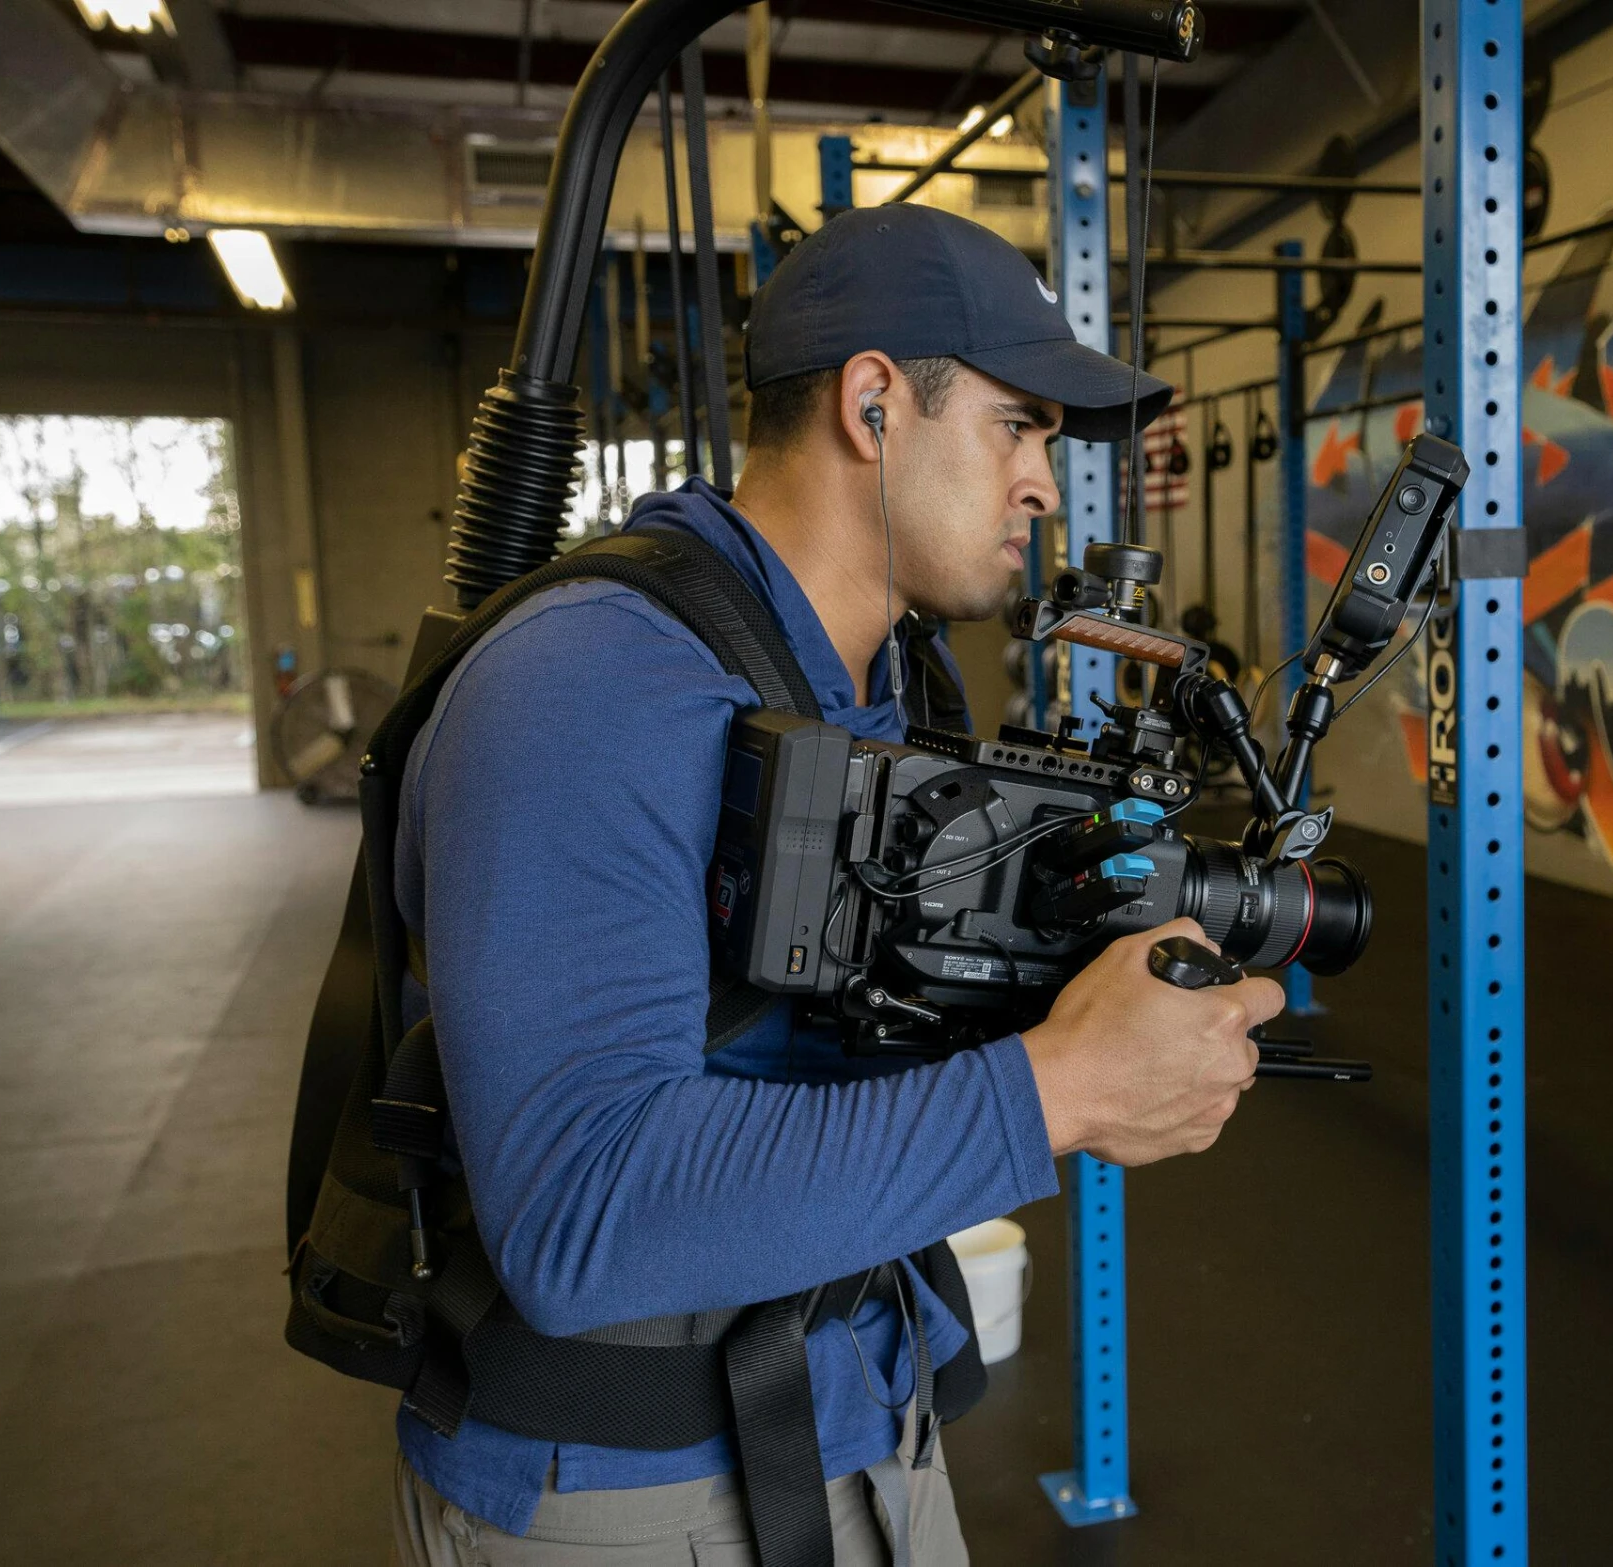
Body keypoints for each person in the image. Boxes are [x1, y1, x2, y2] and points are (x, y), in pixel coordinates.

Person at [389, 204, 1287, 1565]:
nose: (1045, 484)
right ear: (874, 404)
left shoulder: (883, 683)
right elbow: (580, 1213)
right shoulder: (585, 686)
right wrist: (1059, 1086)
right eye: (1018, 426)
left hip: (860, 1414)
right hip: (627, 1498)